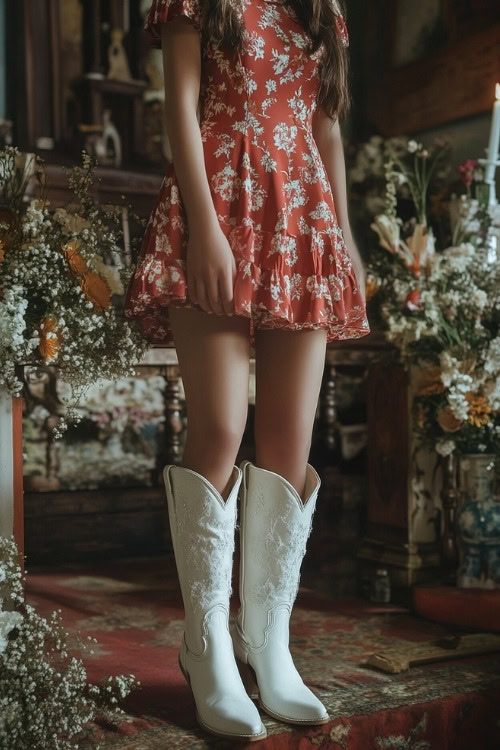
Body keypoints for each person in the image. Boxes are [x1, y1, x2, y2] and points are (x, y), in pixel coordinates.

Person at [124, 0, 370, 741]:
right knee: (225, 425)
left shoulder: (323, 10)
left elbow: (326, 126)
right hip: (220, 199)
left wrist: (348, 240)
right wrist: (203, 224)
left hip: (304, 217)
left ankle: (266, 646)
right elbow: (182, 106)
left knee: (290, 442)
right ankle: (206, 648)